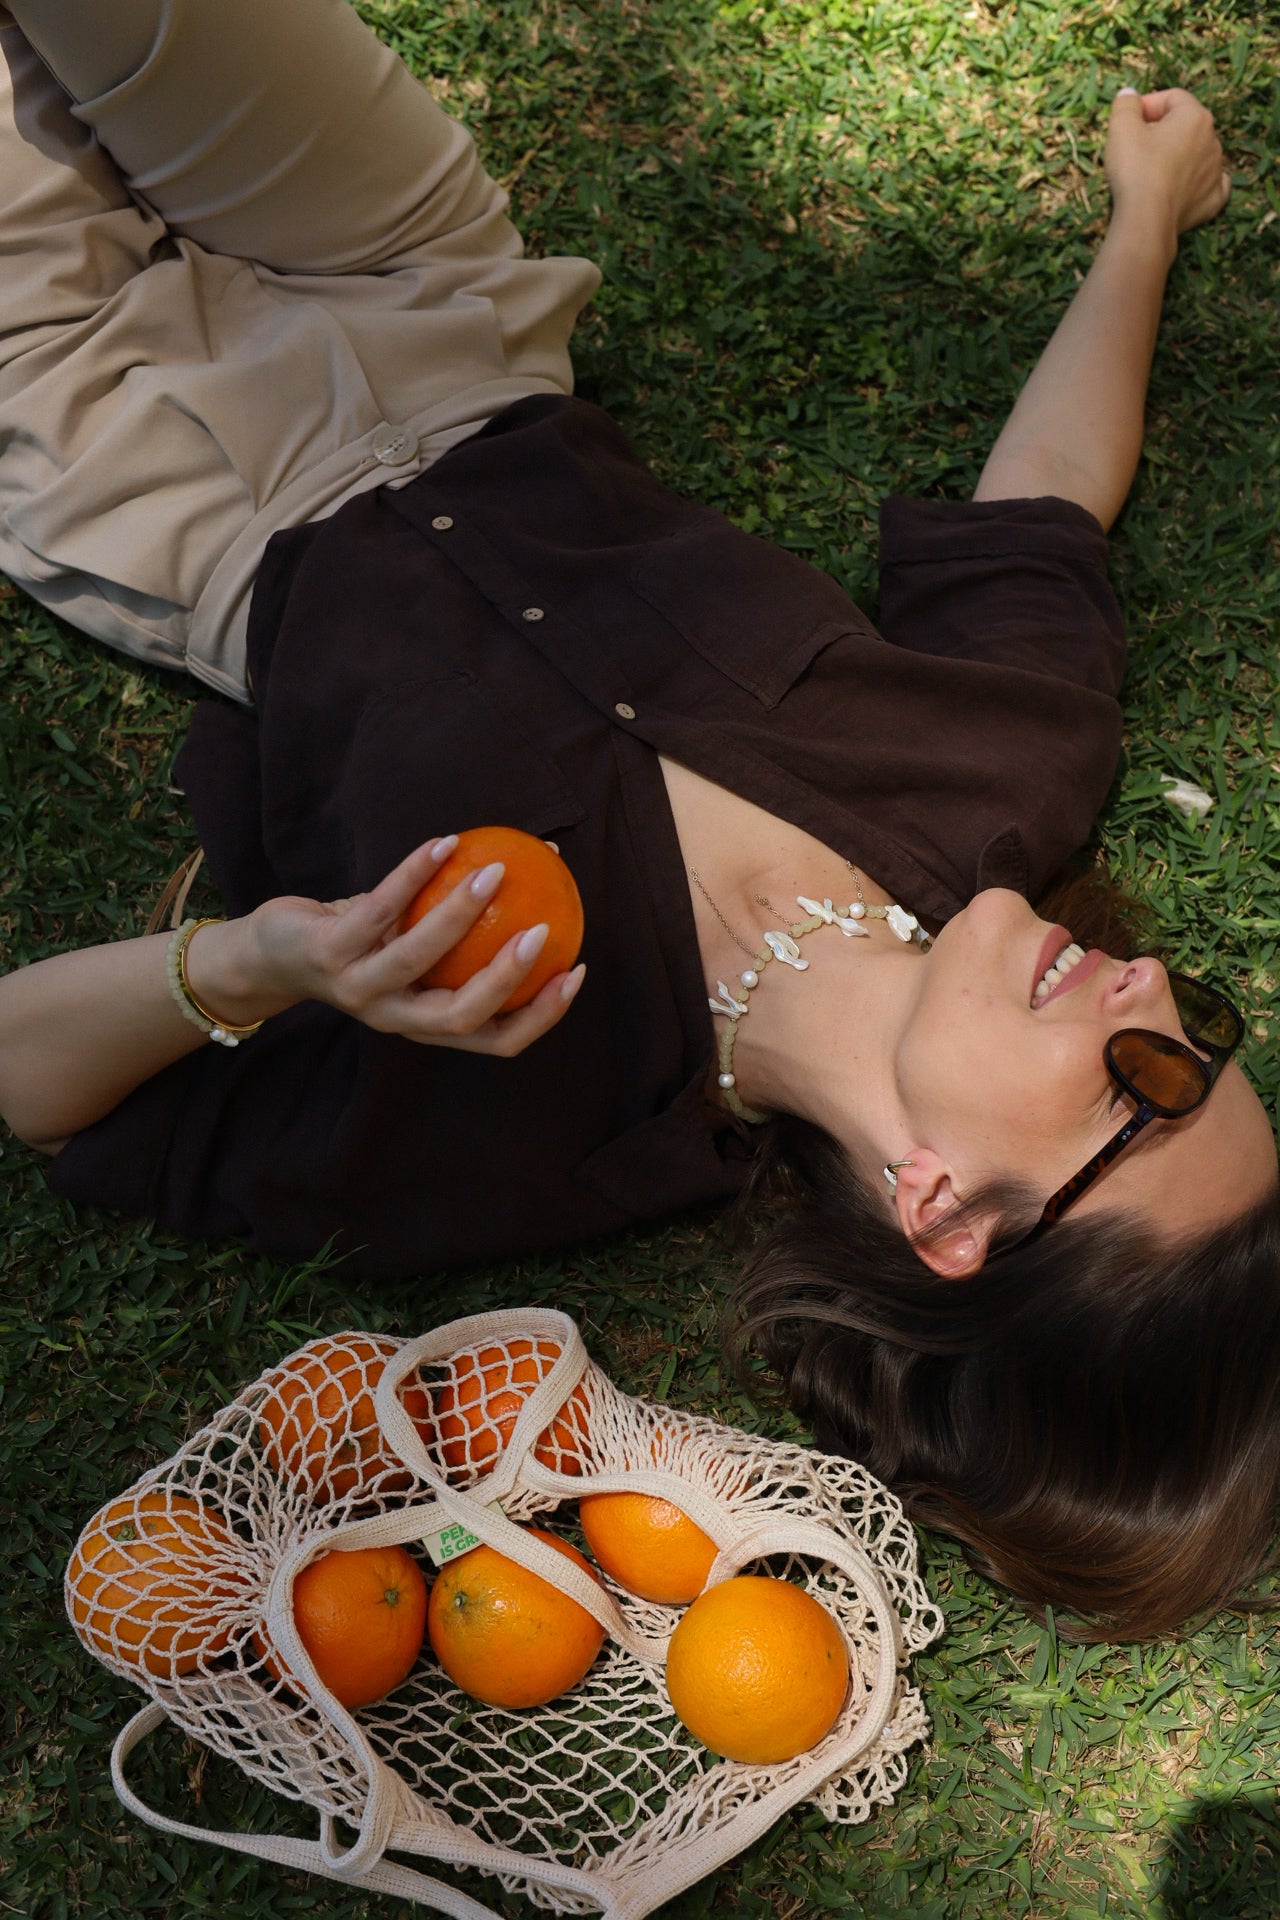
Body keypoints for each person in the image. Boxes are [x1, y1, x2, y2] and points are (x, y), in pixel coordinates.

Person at [0, 0, 1276, 1639]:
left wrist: (260, 964)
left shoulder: (530, 1126)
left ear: (943, 1212)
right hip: (428, 295)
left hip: (157, 483)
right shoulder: (1004, 780)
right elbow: (1044, 503)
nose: (1154, 993)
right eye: (1206, 1033)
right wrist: (1149, 215)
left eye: (1146, 1087)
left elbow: (35, 1083)